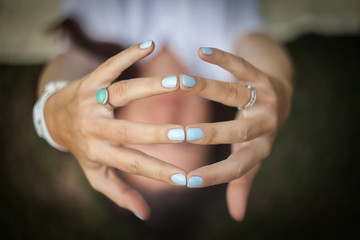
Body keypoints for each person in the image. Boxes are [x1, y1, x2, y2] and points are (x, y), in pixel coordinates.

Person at [33, 0, 293, 227]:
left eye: (148, 138)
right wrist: (277, 92)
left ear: (109, 127)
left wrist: (51, 114)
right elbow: (262, 54)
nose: (168, 120)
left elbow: (68, 63)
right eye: (188, 137)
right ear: (217, 126)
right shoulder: (228, 61)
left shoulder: (97, 53)